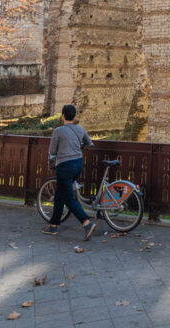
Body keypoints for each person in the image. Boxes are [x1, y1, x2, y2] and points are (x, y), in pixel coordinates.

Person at [42, 103, 98, 240]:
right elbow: (90, 143)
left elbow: (52, 152)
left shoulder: (58, 131)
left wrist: (51, 164)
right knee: (60, 195)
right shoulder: (80, 129)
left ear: (62, 116)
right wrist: (79, 146)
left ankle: (86, 223)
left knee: (68, 198)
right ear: (74, 116)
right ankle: (53, 225)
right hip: (78, 164)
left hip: (65, 166)